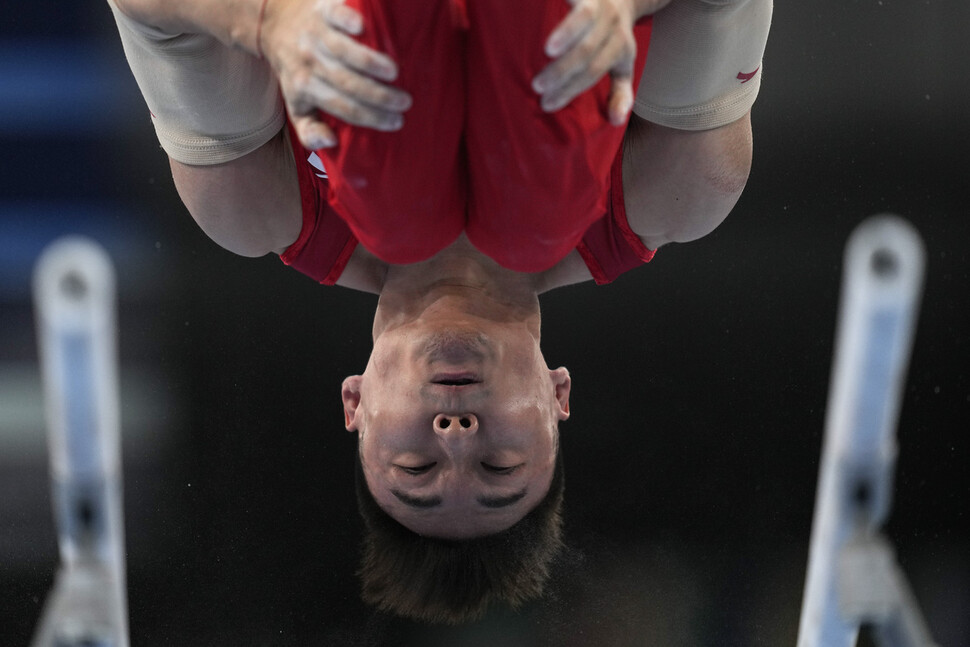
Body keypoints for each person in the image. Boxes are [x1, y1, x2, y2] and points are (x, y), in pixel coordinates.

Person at [107, 0, 772, 623]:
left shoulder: (256, 205)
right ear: (559, 395)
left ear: (355, 405)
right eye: (500, 467)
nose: (456, 433)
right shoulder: (673, 193)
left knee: (407, 223)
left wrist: (263, 20)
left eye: (416, 469)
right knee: (528, 224)